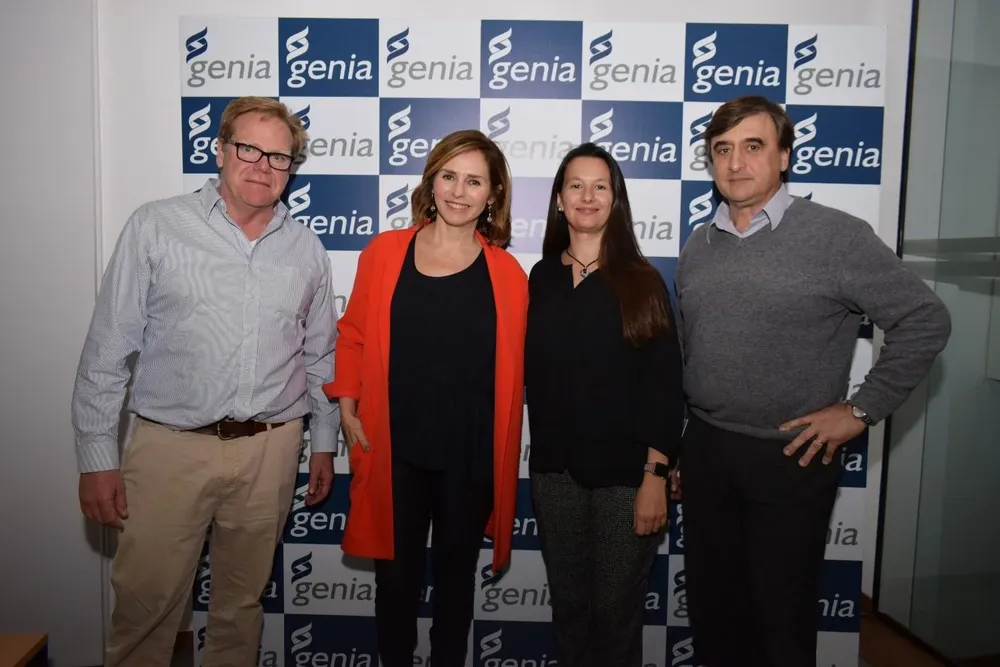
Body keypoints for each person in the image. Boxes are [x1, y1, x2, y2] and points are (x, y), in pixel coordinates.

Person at [674, 94, 951, 667]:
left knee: (780, 617)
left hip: (791, 457)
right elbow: (689, 352)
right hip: (707, 450)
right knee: (713, 611)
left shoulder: (835, 236)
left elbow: (925, 320)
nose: (735, 163)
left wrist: (859, 411)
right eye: (722, 149)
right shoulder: (699, 244)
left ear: (784, 157)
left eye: (753, 146)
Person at [71, 96, 338, 667]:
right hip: (170, 449)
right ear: (220, 150)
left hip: (271, 448)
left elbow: (321, 357)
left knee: (241, 607)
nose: (264, 166)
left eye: (280, 157)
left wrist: (322, 442)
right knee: (147, 607)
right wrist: (96, 454)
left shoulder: (307, 248)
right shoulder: (156, 225)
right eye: (249, 149)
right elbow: (107, 349)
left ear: (293, 168)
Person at [322, 129, 528, 666]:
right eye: (450, 176)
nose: (460, 191)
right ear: (431, 182)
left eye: (475, 180)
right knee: (395, 589)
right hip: (397, 454)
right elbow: (353, 334)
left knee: (456, 592)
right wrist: (346, 402)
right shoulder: (386, 251)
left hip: (470, 459)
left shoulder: (508, 273)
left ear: (494, 193)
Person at [523, 143, 685, 667]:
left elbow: (666, 387)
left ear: (616, 200)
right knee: (570, 610)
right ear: (558, 201)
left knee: (616, 614)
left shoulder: (643, 281)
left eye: (600, 186)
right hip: (555, 476)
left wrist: (656, 475)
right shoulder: (540, 279)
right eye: (575, 185)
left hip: (627, 479)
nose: (587, 196)